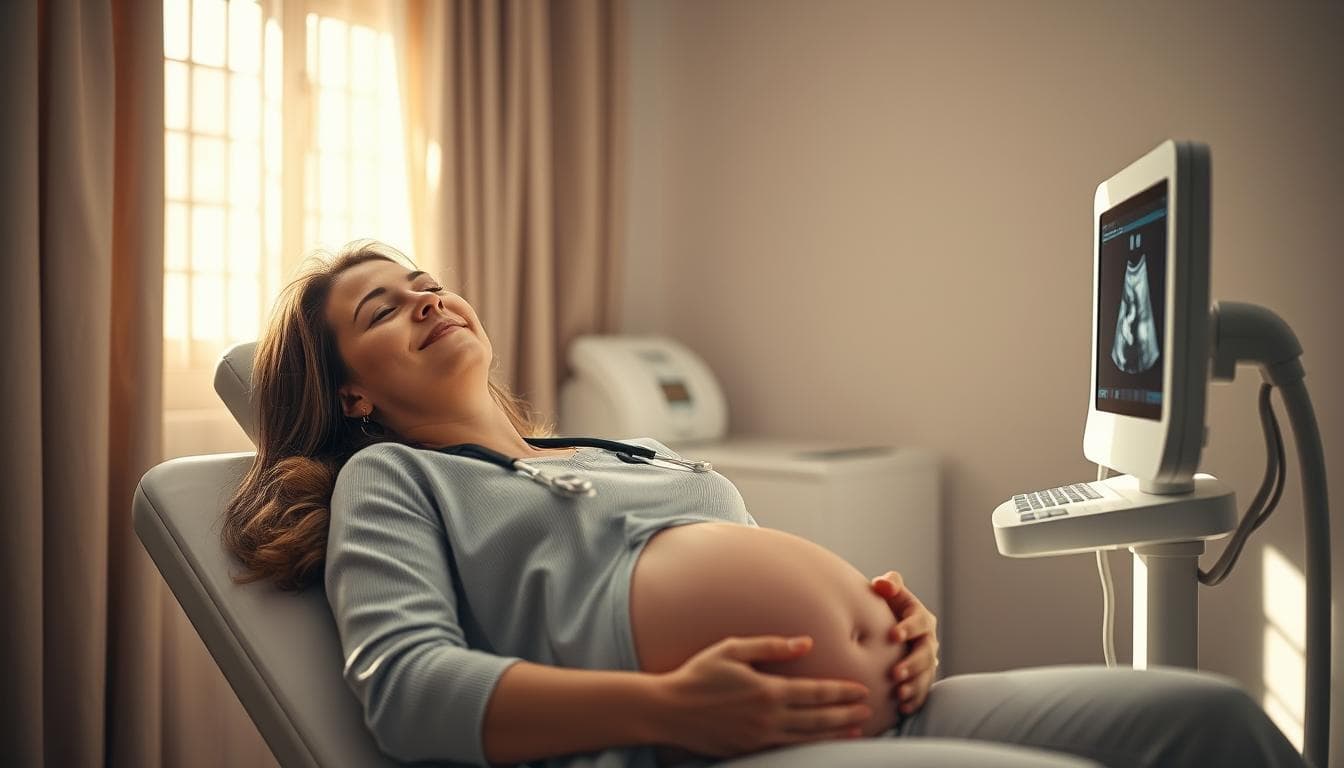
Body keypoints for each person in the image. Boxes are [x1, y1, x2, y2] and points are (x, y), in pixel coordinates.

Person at [223, 241, 1305, 768]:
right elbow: (407, 692)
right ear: (353, 390)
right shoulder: (394, 481)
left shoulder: (631, 447)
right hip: (703, 752)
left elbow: (750, 585)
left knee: (1211, 721)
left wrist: (893, 623)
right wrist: (667, 708)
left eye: (425, 281)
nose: (424, 297)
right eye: (382, 306)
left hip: (887, 703)